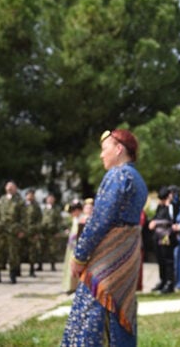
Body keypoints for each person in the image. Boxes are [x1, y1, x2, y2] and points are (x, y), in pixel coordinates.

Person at [62, 128, 148, 347]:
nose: (101, 155)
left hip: (106, 261)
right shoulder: (138, 179)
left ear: (118, 149)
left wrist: (79, 257)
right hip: (126, 258)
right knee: (120, 310)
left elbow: (99, 221)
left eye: (104, 149)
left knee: (93, 312)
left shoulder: (118, 175)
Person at [0, 181, 26, 284]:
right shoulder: (1, 200)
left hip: (13, 231)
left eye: (12, 187)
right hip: (1, 231)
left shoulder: (19, 201)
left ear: (16, 188)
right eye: (8, 187)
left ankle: (12, 275)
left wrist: (22, 230)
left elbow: (23, 218)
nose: (10, 188)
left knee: (13, 254)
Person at [148, 186, 177, 294]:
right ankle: (162, 280)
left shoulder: (171, 206)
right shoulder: (159, 207)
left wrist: (156, 223)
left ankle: (170, 282)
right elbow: (155, 217)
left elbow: (172, 219)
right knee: (160, 258)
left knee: (167, 258)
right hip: (157, 235)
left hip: (166, 236)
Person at [61, 200, 83, 294]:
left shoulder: (82, 219)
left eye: (73, 211)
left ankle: (75, 286)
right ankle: (69, 286)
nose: (72, 213)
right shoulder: (74, 220)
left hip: (77, 245)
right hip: (71, 245)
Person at [22, 189, 42, 277]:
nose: (30, 196)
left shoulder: (36, 207)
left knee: (32, 252)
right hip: (22, 231)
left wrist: (37, 232)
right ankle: (17, 270)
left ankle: (31, 270)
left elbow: (39, 220)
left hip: (32, 232)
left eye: (32, 195)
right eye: (29, 195)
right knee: (20, 251)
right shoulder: (22, 205)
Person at [40, 193, 62, 272]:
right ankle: (40, 265)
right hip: (44, 232)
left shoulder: (56, 209)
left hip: (53, 232)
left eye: (52, 199)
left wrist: (58, 231)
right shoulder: (43, 209)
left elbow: (59, 221)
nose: (50, 200)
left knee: (53, 249)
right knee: (42, 249)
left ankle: (52, 265)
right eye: (49, 198)